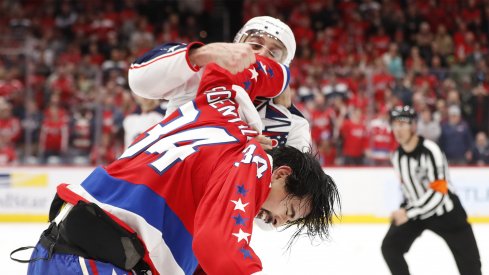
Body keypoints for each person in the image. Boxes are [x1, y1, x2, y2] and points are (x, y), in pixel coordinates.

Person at [17, 52, 340, 275]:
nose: (279, 221)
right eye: (291, 211)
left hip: (57, 251)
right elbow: (220, 248)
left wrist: (281, 75)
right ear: (282, 173)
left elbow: (226, 70)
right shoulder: (253, 159)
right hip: (97, 264)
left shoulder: (213, 105)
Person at [128, 16, 312, 151]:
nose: (262, 55)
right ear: (237, 44)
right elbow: (140, 81)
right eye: (255, 45)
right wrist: (198, 55)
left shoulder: (291, 122)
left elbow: (300, 193)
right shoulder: (202, 71)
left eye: (274, 54)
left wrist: (264, 160)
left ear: (284, 67)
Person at [381, 105, 481, 275]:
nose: (398, 129)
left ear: (413, 126)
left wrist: (408, 212)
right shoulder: (396, 156)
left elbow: (439, 192)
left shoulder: (431, 150)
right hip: (417, 214)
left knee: (471, 267)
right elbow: (408, 188)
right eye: (394, 124)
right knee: (390, 247)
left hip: (446, 214)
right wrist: (405, 209)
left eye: (402, 124)